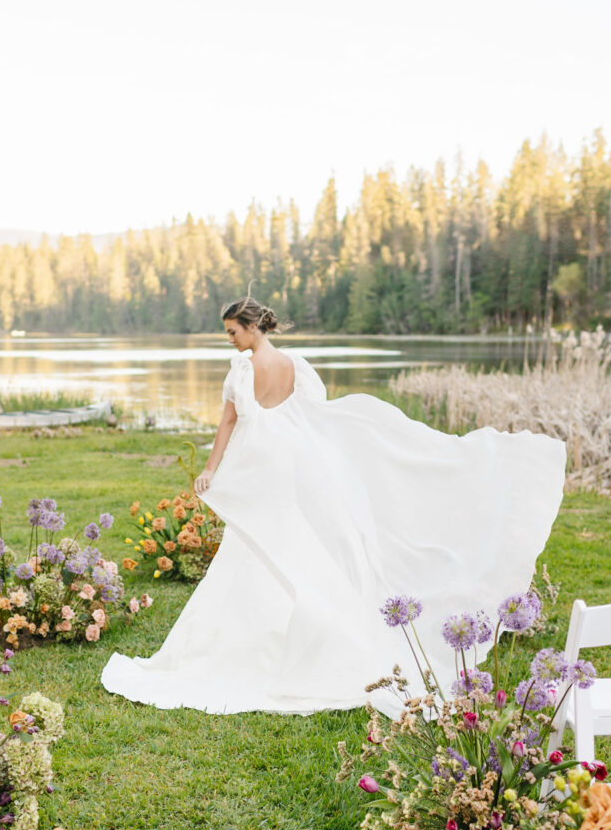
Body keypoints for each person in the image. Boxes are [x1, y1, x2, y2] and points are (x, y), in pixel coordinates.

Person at [101, 296, 566, 715]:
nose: (231, 339)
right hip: (297, 466)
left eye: (232, 331)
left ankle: (284, 639)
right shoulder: (295, 365)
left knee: (260, 552)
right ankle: (297, 629)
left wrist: (211, 471)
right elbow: (312, 411)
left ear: (251, 327)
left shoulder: (241, 371)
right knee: (291, 549)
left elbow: (228, 424)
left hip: (265, 471)